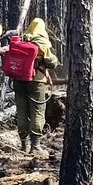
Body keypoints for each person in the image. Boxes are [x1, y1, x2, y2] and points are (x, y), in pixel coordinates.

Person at [15, 18, 59, 158]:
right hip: (36, 82)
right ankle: (35, 146)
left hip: (18, 81)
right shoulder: (42, 42)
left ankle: (23, 144)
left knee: (22, 111)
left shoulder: (22, 39)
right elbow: (52, 63)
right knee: (37, 112)